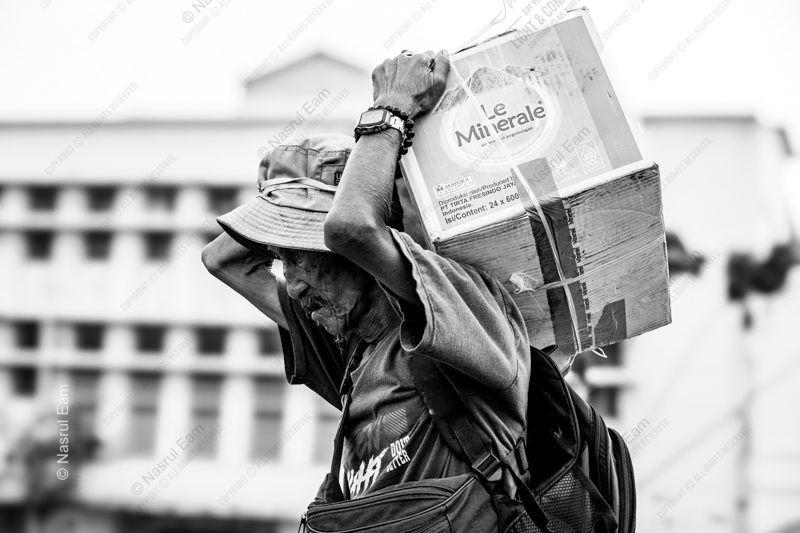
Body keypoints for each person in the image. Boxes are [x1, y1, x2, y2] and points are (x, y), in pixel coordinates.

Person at [201, 50, 531, 502]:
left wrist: (391, 110)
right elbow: (221, 259)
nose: (292, 285)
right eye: (281, 260)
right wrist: (284, 188)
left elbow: (351, 228)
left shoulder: (456, 311)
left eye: (302, 258)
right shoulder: (350, 349)